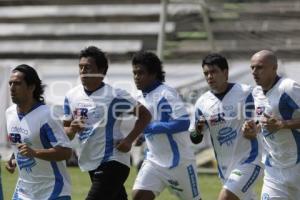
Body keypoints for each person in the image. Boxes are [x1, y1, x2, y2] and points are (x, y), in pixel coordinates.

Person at [63, 46, 151, 200]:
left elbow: (145, 115)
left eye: (88, 67)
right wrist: (71, 129)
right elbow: (65, 133)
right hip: (91, 161)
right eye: (80, 67)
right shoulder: (71, 96)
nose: (83, 71)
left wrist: (129, 140)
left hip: (113, 161)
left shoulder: (115, 95)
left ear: (101, 71)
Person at [131, 51, 201, 200]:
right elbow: (151, 124)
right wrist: (142, 137)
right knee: (139, 195)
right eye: (134, 73)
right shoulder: (139, 96)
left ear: (153, 74)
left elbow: (183, 122)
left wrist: (149, 128)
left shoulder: (166, 93)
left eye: (141, 73)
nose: (136, 77)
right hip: (154, 161)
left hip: (179, 162)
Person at [192, 53, 263, 200]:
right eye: (206, 73)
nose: (209, 77)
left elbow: (264, 116)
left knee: (225, 197)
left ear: (225, 72)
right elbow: (195, 139)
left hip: (250, 160)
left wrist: (255, 127)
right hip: (225, 169)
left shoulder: (246, 92)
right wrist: (198, 131)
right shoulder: (202, 103)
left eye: (214, 72)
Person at [5, 64, 72, 200]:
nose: (12, 88)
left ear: (32, 87)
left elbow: (66, 152)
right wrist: (13, 158)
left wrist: (34, 153)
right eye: (10, 83)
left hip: (53, 191)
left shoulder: (47, 115)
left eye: (17, 83)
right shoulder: (9, 113)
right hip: (23, 192)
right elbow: (22, 143)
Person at [243, 50, 300, 200]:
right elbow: (263, 121)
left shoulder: (288, 87)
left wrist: (283, 124)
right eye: (252, 68)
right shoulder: (256, 93)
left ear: (274, 68)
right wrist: (253, 129)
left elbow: (278, 124)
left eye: (260, 67)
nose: (254, 72)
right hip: (274, 171)